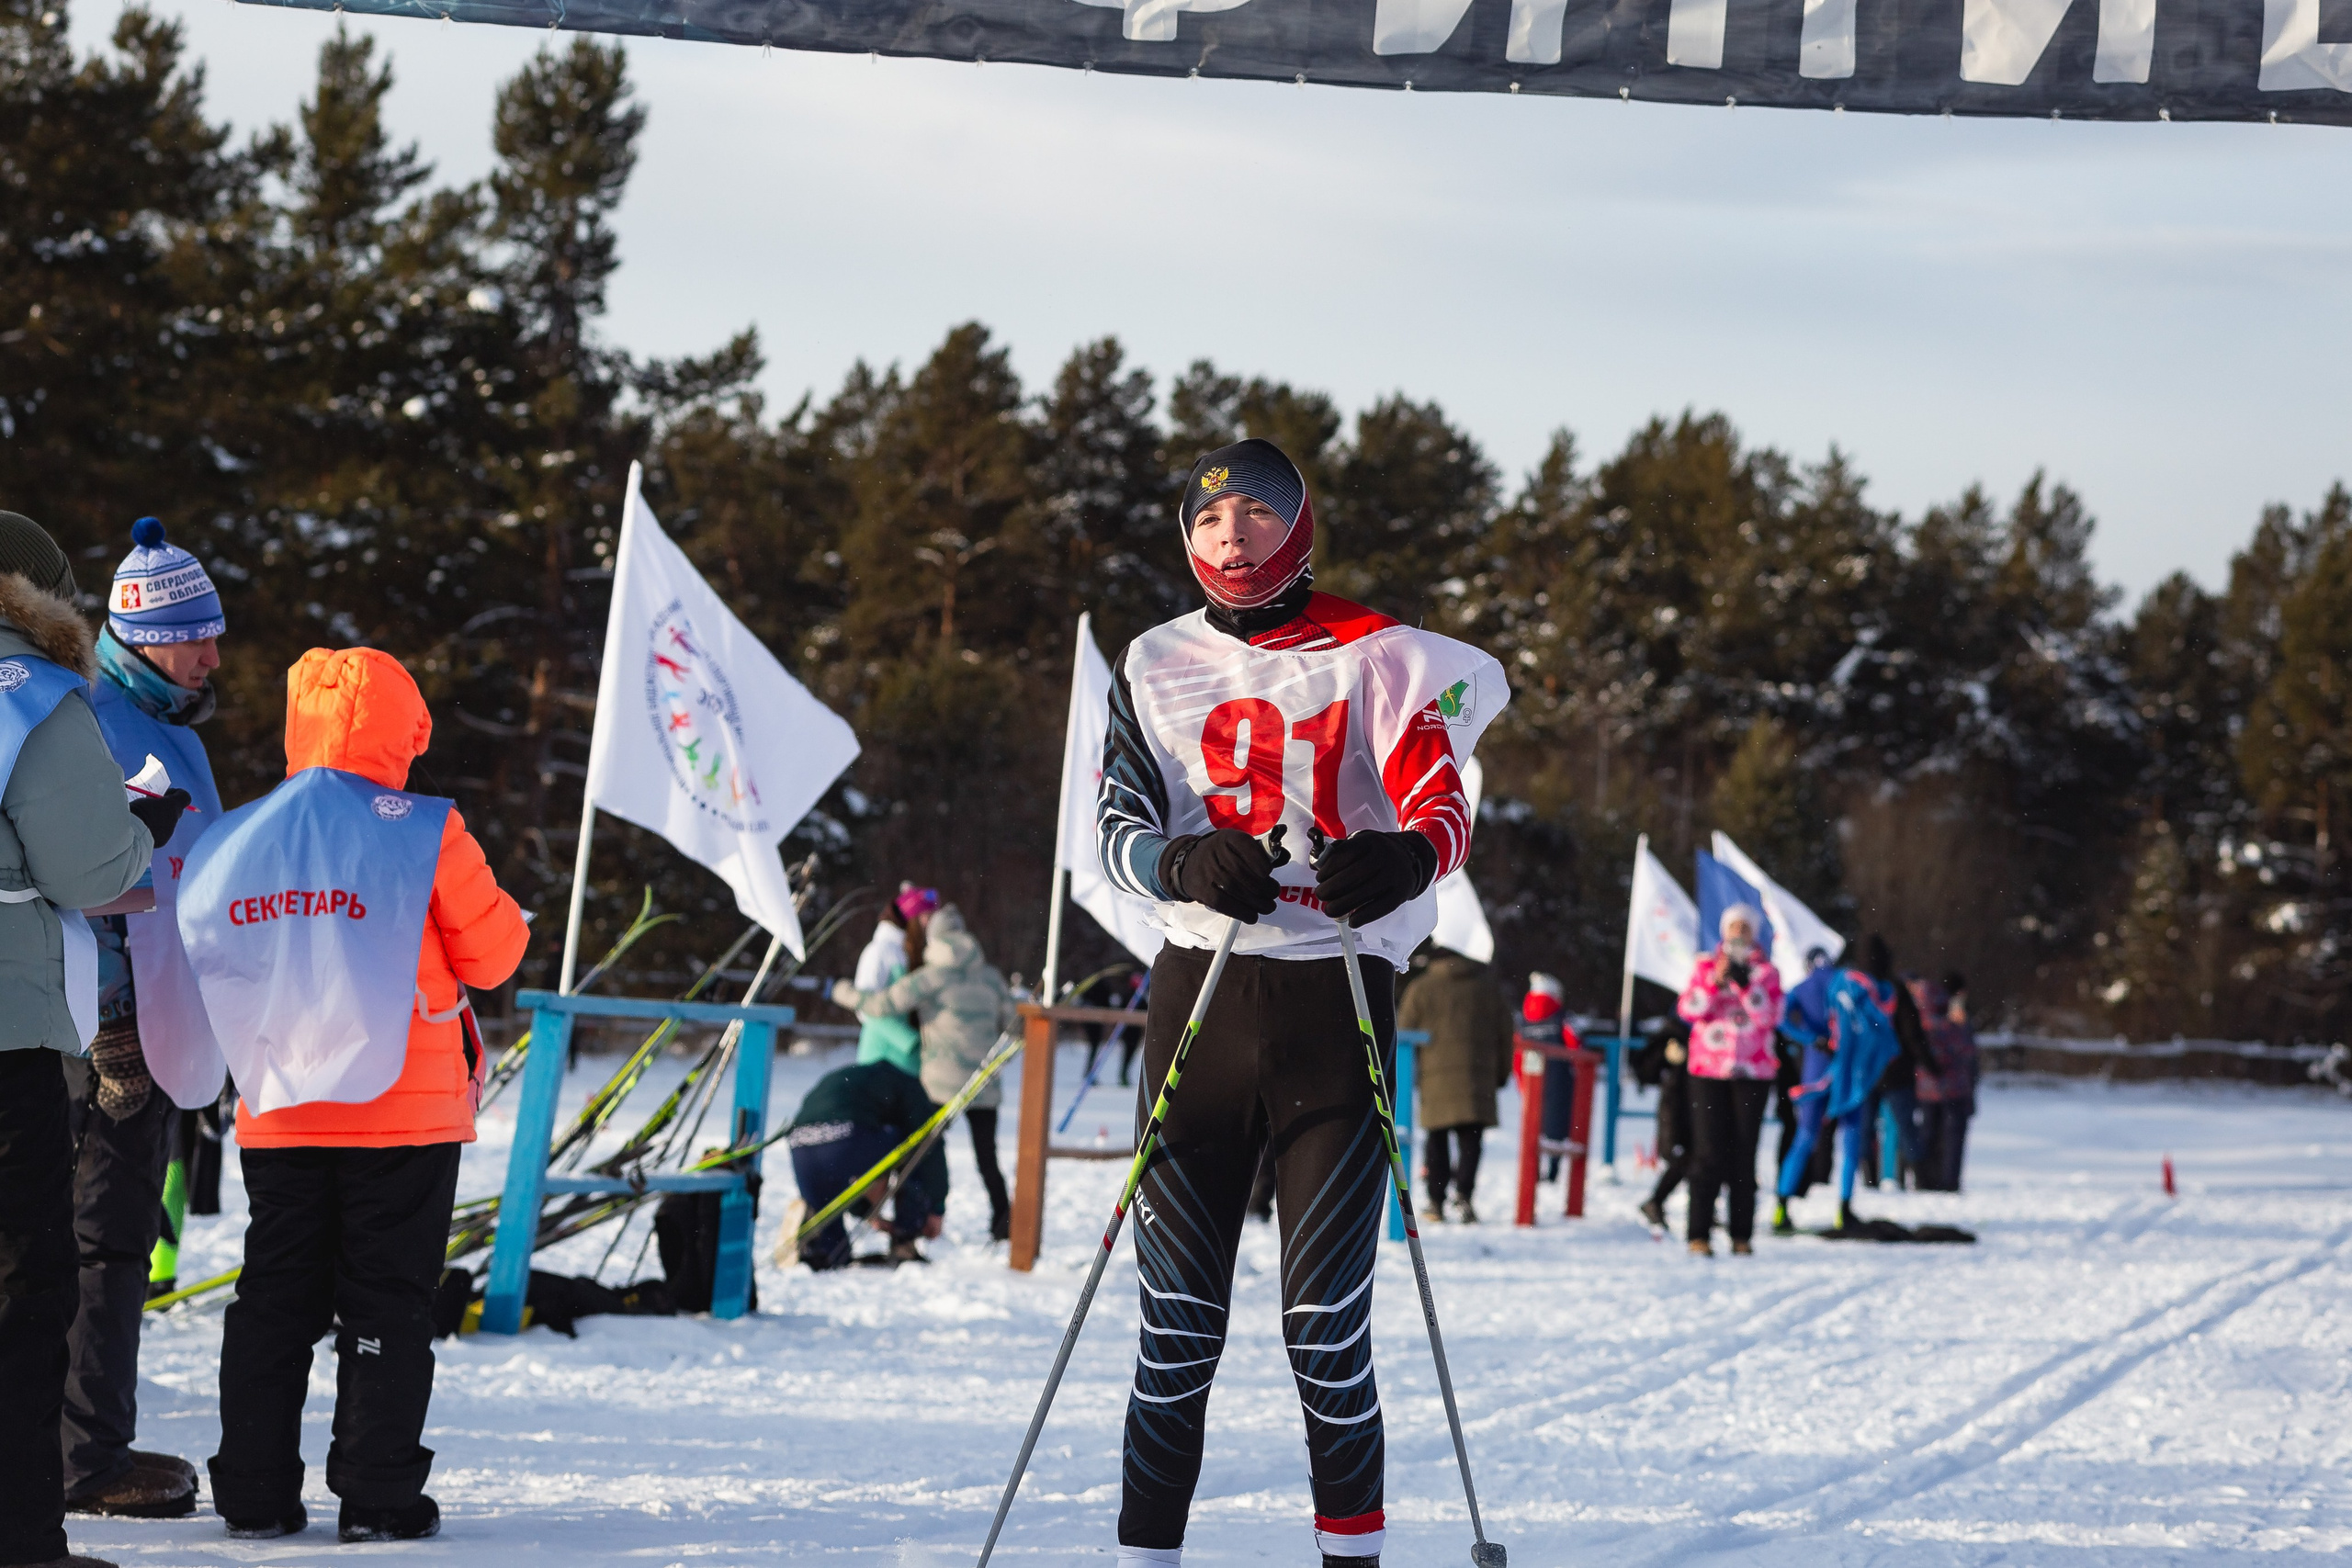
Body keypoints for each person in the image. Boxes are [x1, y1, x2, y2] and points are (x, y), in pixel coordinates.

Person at [1094, 438, 1505, 1568]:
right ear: (1188, 542)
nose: (1234, 539)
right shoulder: (1149, 662)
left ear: (1301, 528)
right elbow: (1115, 827)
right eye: (1211, 523)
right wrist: (1179, 866)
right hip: (1201, 997)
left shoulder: (1380, 654)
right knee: (1174, 1333)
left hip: (1337, 999)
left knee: (1325, 1333)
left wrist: (1409, 859)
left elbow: (1442, 799)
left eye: (1258, 518)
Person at [192, 649, 528, 1544]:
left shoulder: (243, 831)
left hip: (281, 1102)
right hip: (403, 1109)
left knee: (274, 1296)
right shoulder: (424, 828)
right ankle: (378, 1497)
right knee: (386, 1298)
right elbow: (495, 957)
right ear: (404, 728)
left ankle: (254, 1492)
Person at [0, 511, 184, 1568]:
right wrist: (137, 835)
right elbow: (88, 870)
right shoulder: (30, 694)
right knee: (24, 1292)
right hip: (9, 1036)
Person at [64, 518, 232, 1522]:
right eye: (194, 639)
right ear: (139, 633)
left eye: (216, 635)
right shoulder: (93, 718)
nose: (213, 657)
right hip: (101, 1031)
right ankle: (85, 1456)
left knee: (114, 1235)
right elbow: (84, 871)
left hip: (161, 1023)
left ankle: (82, 1439)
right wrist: (117, 1019)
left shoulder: (169, 727)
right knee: (102, 1240)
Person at [836, 901, 1017, 1241]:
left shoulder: (931, 977)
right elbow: (1014, 1028)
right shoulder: (991, 977)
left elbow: (881, 1005)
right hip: (983, 1083)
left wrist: (842, 991)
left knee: (920, 1153)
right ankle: (1002, 1224)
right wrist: (994, 1061)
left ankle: (914, 1219)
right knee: (987, 1157)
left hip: (939, 1083)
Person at [1771, 934, 1906, 1233]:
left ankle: (1781, 1208)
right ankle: (1843, 1210)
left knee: (1805, 1137)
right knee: (1851, 1140)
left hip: (1816, 1068)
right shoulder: (1847, 982)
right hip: (1848, 1069)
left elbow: (1779, 1019)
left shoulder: (1803, 987)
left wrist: (1811, 1039)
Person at [1675, 903, 1783, 1256]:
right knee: (1707, 1152)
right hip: (1709, 1069)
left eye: (1745, 928)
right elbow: (1689, 1010)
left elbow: (1771, 1016)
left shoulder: (1766, 972)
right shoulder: (1705, 964)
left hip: (1752, 1072)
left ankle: (1741, 1235)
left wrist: (1745, 986)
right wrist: (1714, 981)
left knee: (1743, 1153)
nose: (1739, 934)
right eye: (1733, 927)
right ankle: (1698, 1234)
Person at [778, 1056, 951, 1269]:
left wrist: (866, 1213)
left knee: (827, 1218)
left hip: (801, 1143)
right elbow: (930, 1144)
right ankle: (905, 1239)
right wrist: (936, 1207)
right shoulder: (910, 1087)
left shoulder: (858, 1077)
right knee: (911, 1148)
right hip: (848, 1136)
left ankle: (820, 1243)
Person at [1396, 946, 1512, 1224]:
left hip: (1436, 1078)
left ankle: (1436, 1202)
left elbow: (1403, 1031)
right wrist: (1500, 1074)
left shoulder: (1421, 987)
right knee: (1471, 1140)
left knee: (1437, 1141)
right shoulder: (1487, 988)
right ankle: (1464, 1196)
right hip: (1478, 1077)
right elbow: (1506, 1034)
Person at [1913, 974, 1978, 1191]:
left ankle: (1927, 1180)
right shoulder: (1951, 1026)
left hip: (1927, 1092)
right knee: (1952, 1140)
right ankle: (1949, 1181)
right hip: (1954, 1090)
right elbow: (1966, 1052)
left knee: (1929, 1136)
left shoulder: (1918, 1026)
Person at [847, 890, 920, 1077]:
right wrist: (909, 1041)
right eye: (925, 916)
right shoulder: (878, 950)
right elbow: (865, 1007)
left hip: (911, 1064)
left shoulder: (914, 950)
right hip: (880, 1058)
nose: (929, 922)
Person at [1636, 1021, 1691, 1233]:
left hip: (1703, 1101)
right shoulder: (1674, 1029)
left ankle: (1658, 1202)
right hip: (1676, 1103)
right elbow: (1646, 1070)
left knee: (1704, 1157)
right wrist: (1667, 1056)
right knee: (1679, 1156)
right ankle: (1655, 1202)